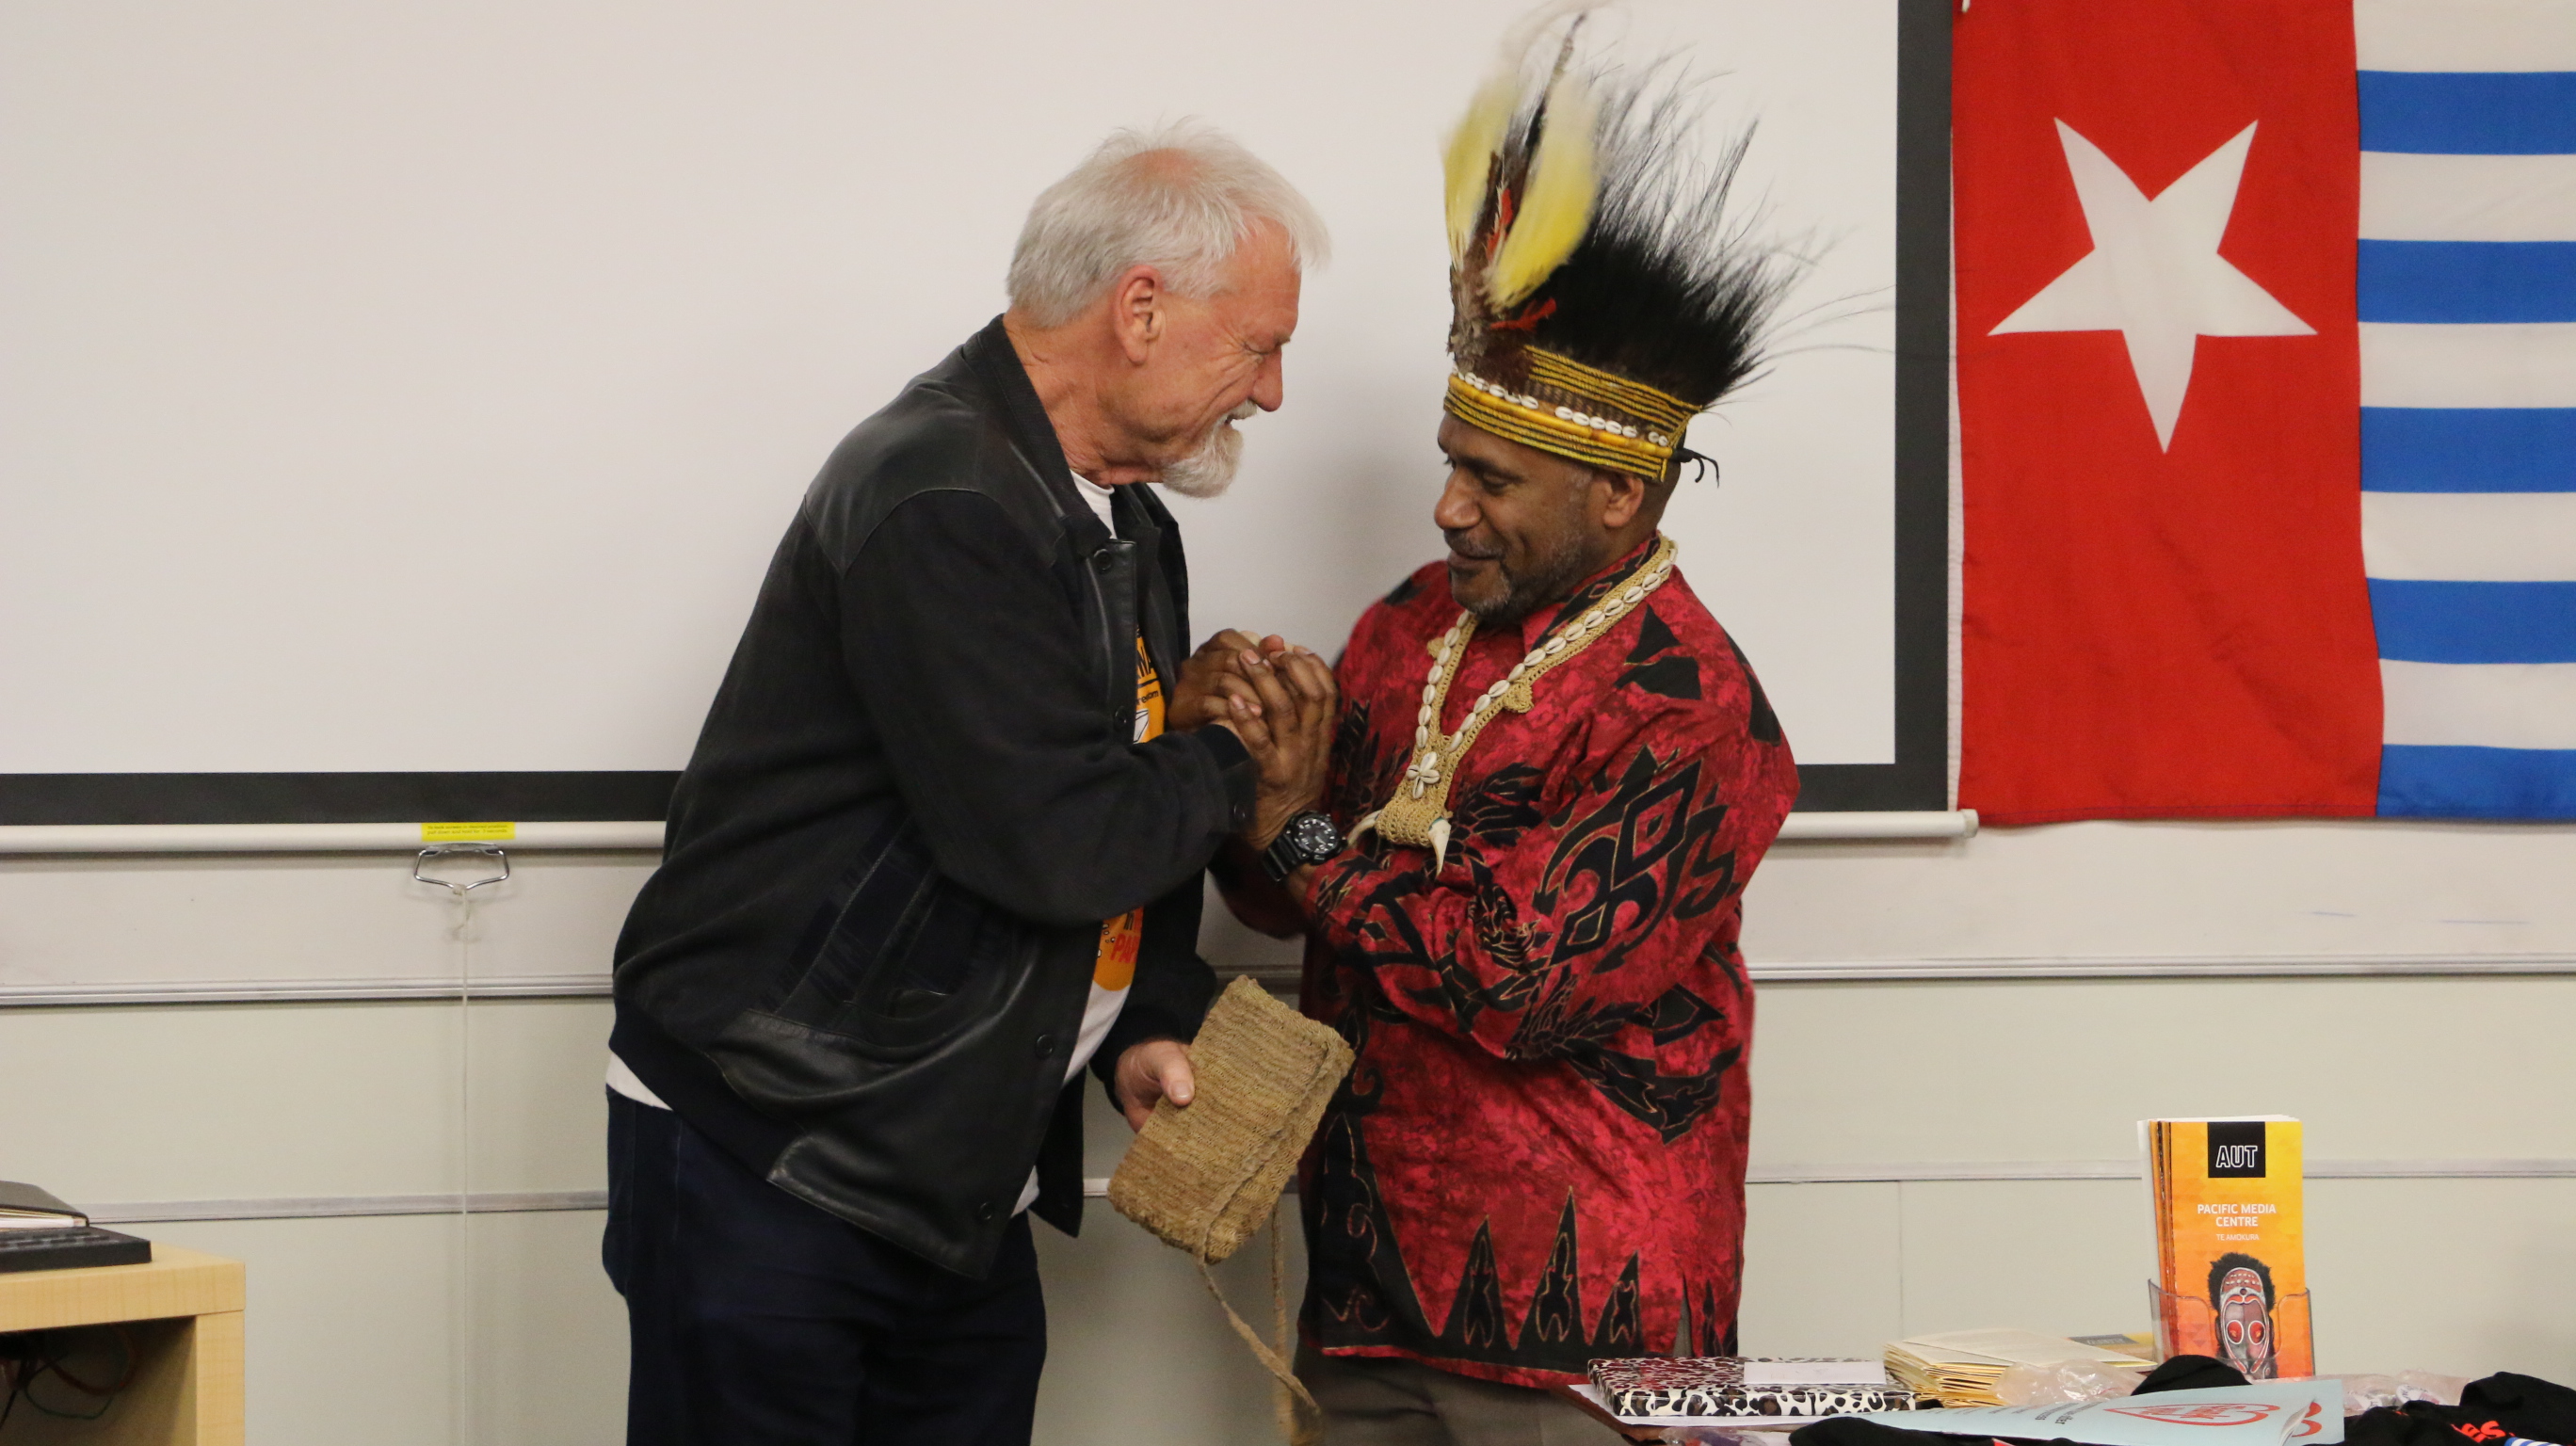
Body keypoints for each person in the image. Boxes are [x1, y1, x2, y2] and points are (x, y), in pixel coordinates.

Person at [600, 121, 1340, 1446]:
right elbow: (1055, 844)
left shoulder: (1123, 515)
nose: (1272, 391)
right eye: (1258, 345)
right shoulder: (941, 492)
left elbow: (1112, 805)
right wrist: (1240, 753)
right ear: (1142, 309)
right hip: (782, 1154)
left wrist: (1153, 1006)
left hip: (946, 1177)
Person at [1212, 30, 1804, 1445]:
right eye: (1448, 464)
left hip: (1583, 1330)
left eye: (1492, 480)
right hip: (1363, 1293)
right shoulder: (1410, 628)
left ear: (1617, 496)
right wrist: (1238, 757)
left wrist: (1301, 825)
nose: (1448, 510)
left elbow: (1514, 985)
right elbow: (1281, 892)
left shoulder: (1689, 705)